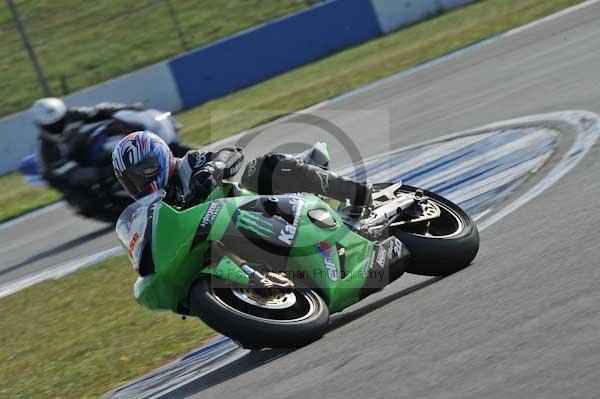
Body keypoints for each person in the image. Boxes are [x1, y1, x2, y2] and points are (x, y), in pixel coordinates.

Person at [112, 131, 372, 214]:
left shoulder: (189, 164)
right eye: (131, 180)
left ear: (158, 157)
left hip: (256, 206)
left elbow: (232, 152)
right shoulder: (157, 211)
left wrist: (213, 168)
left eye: (142, 171)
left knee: (260, 168)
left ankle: (354, 191)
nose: (140, 181)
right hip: (231, 237)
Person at [31, 97, 144, 189]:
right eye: (50, 125)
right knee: (85, 199)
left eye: (59, 121)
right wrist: (114, 170)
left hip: (76, 149)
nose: (56, 126)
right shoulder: (48, 150)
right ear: (40, 125)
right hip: (61, 176)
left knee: (113, 127)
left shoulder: (72, 115)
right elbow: (76, 174)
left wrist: (128, 109)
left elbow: (100, 111)